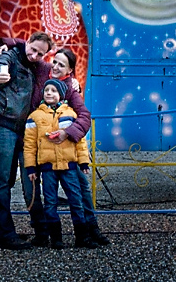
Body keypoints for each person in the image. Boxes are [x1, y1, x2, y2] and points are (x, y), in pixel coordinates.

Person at [0, 31, 91, 250]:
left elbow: (80, 110)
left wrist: (73, 84)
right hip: (14, 131)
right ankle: (20, 233)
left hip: (38, 138)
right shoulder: (24, 61)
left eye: (40, 54)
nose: (34, 55)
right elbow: (5, 59)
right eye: (33, 50)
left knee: (45, 183)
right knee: (14, 182)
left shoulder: (53, 76)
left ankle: (79, 231)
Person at [51, 47, 110, 247]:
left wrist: (68, 133)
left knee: (81, 190)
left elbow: (85, 117)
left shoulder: (70, 90)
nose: (56, 67)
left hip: (69, 149)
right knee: (52, 196)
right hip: (48, 151)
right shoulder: (44, 81)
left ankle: (89, 230)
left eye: (62, 65)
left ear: (70, 70)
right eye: (55, 62)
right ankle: (49, 234)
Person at [24, 78, 89, 249]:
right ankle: (56, 238)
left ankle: (81, 236)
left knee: (76, 200)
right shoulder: (34, 117)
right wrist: (30, 167)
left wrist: (83, 162)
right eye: (47, 91)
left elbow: (80, 141)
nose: (49, 93)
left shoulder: (71, 114)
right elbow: (29, 145)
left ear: (60, 95)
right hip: (48, 168)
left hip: (69, 166)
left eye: (53, 91)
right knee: (50, 202)